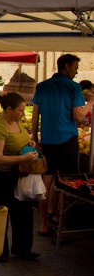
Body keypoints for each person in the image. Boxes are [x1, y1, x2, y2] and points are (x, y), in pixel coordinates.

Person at [32, 54, 94, 235]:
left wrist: (35, 138)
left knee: (47, 181)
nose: (76, 72)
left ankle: (43, 224)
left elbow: (36, 114)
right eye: (75, 68)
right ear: (66, 66)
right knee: (68, 182)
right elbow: (78, 117)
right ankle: (60, 223)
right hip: (67, 140)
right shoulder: (73, 87)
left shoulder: (42, 86)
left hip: (48, 140)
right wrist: (90, 103)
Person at [0, 92, 40, 260]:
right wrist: (23, 158)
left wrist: (28, 143)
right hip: (1, 176)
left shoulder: (16, 122)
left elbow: (19, 139)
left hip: (18, 174)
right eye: (20, 110)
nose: (23, 114)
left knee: (24, 211)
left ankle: (22, 248)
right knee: (1, 212)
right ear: (9, 109)